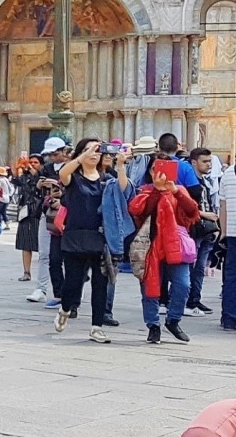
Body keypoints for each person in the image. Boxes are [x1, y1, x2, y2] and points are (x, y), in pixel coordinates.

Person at [54, 139, 129, 344]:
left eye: (98, 150)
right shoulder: (74, 178)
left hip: (100, 236)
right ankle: (65, 308)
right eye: (90, 150)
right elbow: (63, 174)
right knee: (73, 282)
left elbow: (122, 189)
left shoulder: (106, 178)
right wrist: (82, 157)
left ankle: (96, 327)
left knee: (100, 283)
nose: (94, 154)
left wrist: (121, 165)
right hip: (76, 237)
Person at [129, 160, 201, 344]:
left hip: (175, 245)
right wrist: (157, 190)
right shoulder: (145, 191)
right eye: (155, 169)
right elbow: (140, 210)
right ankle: (153, 326)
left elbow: (192, 211)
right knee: (150, 289)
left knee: (183, 285)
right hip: (151, 246)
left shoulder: (179, 190)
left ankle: (173, 320)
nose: (159, 173)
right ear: (151, 172)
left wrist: (174, 191)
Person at [28, 137, 70, 307]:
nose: (53, 157)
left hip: (68, 214)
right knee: (46, 254)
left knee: (69, 256)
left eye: (56, 153)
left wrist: (62, 195)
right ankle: (42, 288)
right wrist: (38, 186)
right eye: (50, 154)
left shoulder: (72, 168)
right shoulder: (45, 169)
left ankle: (70, 290)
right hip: (49, 214)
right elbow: (30, 190)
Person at [186, 147, 220, 317]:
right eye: (205, 161)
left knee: (200, 267)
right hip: (194, 228)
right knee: (193, 266)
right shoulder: (190, 183)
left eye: (210, 161)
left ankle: (195, 298)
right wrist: (204, 214)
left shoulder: (206, 182)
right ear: (194, 162)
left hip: (207, 228)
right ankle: (189, 299)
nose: (208, 165)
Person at [13, 154, 43, 281]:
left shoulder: (42, 176)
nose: (32, 164)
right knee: (25, 243)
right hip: (26, 211)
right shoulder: (25, 177)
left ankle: (44, 273)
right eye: (31, 162)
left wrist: (33, 170)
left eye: (35, 162)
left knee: (43, 244)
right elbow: (15, 180)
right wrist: (17, 168)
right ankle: (26, 272)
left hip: (39, 211)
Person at [221, 162, 236, 331]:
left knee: (231, 276)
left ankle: (229, 317)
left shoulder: (229, 174)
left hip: (232, 233)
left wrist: (223, 232)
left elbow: (223, 206)